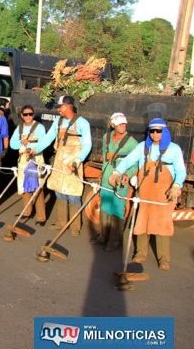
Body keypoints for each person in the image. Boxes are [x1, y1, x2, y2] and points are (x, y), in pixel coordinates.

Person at [109, 118, 186, 271]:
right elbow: (128, 160)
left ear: (164, 131)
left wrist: (177, 186)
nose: (155, 134)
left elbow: (181, 170)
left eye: (158, 131)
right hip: (145, 191)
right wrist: (116, 172)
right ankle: (140, 254)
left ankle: (164, 259)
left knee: (162, 224)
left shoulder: (174, 149)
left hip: (164, 193)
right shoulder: (142, 147)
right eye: (152, 131)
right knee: (142, 221)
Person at [34, 95, 92, 236]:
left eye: (60, 107)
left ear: (68, 106)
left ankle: (75, 227)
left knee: (73, 194)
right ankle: (61, 222)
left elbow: (87, 144)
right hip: (59, 160)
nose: (58, 110)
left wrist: (77, 160)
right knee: (59, 191)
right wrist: (34, 149)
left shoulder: (83, 123)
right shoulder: (58, 122)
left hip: (73, 162)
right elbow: (48, 138)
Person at [95, 113, 138, 251]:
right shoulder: (106, 137)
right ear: (113, 124)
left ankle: (114, 241)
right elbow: (104, 154)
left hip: (120, 178)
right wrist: (102, 173)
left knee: (117, 208)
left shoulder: (132, 142)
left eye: (124, 123)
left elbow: (136, 163)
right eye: (120, 124)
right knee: (105, 205)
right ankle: (103, 236)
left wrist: (128, 174)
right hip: (107, 175)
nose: (123, 126)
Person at [10, 105, 47, 223]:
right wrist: (22, 144)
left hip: (36, 159)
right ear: (22, 116)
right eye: (25, 114)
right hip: (23, 160)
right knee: (24, 186)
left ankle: (41, 217)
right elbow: (12, 144)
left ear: (33, 114)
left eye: (30, 114)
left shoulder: (40, 127)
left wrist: (30, 146)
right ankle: (27, 212)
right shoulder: (19, 128)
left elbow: (43, 143)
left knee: (38, 186)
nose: (28, 116)